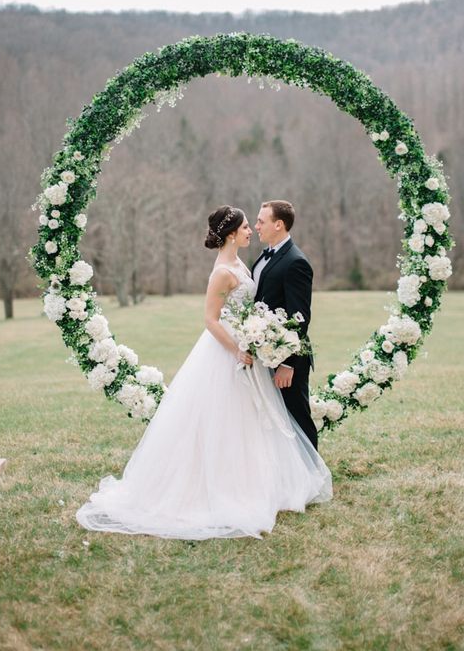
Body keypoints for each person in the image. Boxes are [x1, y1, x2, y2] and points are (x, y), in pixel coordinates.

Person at [76, 205, 332, 540]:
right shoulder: (224, 271)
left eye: (257, 222)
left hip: (256, 351)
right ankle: (221, 487)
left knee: (261, 419)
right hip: (229, 352)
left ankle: (273, 480)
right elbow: (211, 320)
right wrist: (238, 348)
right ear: (231, 234)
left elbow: (287, 312)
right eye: (245, 226)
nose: (252, 229)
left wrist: (272, 350)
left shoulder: (248, 262)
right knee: (225, 418)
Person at [253, 200, 318, 449]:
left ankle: (314, 477)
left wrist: (287, 363)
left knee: (298, 417)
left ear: (278, 224)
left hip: (288, 359)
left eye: (261, 221)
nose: (256, 226)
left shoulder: (295, 262)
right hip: (266, 352)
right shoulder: (265, 256)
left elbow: (300, 317)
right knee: (276, 420)